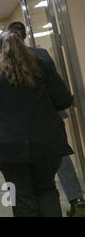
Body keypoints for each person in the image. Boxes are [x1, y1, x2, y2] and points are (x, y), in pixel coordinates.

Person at [0, 30, 74, 217]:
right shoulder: (42, 67)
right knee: (47, 189)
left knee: (20, 193)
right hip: (47, 142)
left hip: (8, 147)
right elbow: (64, 100)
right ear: (23, 46)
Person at [8, 21, 85, 217]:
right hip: (49, 116)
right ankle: (76, 200)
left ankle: (37, 204)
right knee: (59, 158)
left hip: (25, 121)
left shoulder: (5, 61)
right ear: (24, 36)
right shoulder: (41, 55)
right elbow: (55, 86)